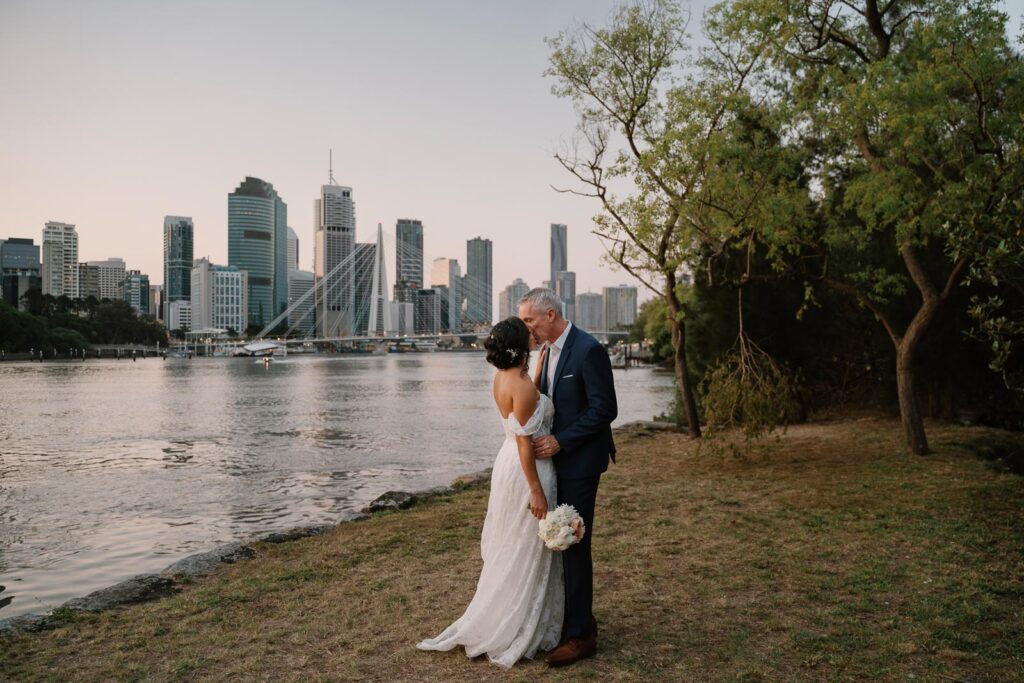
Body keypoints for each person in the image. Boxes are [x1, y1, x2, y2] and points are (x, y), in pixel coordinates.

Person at [417, 317, 564, 668]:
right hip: (527, 468)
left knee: (514, 543)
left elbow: (527, 401)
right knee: (526, 544)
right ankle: (516, 624)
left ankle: (512, 610)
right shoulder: (524, 388)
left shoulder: (505, 378)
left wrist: (539, 363)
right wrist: (536, 492)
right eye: (528, 331)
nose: (533, 332)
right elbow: (527, 444)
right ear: (518, 343)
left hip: (506, 461)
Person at [518, 287, 617, 668]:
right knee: (559, 543)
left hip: (581, 462)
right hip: (555, 463)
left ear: (550, 314)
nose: (527, 327)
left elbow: (605, 409)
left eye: (530, 319)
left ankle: (581, 637)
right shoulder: (544, 351)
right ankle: (576, 617)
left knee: (573, 542)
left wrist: (561, 441)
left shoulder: (588, 349)